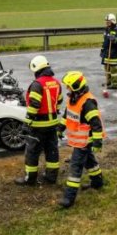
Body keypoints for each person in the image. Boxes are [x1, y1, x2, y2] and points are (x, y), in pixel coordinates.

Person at [57, 71, 105, 208]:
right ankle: (97, 183)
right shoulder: (73, 99)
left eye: (69, 86)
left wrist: (97, 142)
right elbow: (67, 116)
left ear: (76, 86)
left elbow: (96, 123)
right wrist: (60, 128)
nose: (67, 89)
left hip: (85, 141)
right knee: (89, 161)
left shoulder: (88, 102)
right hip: (79, 141)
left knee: (75, 167)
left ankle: (68, 198)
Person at [15, 55, 63, 186]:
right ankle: (51, 176)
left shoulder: (37, 84)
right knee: (52, 150)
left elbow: (34, 106)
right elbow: (59, 102)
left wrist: (27, 123)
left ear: (36, 69)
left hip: (38, 126)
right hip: (52, 124)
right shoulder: (56, 82)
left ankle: (30, 179)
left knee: (32, 151)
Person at [101, 13, 117, 90]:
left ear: (113, 22)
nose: (107, 23)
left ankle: (115, 84)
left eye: (108, 22)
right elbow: (104, 41)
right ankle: (108, 82)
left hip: (113, 54)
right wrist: (102, 50)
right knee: (107, 68)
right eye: (106, 22)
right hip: (106, 53)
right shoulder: (106, 30)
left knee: (113, 70)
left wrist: (114, 40)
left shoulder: (116, 30)